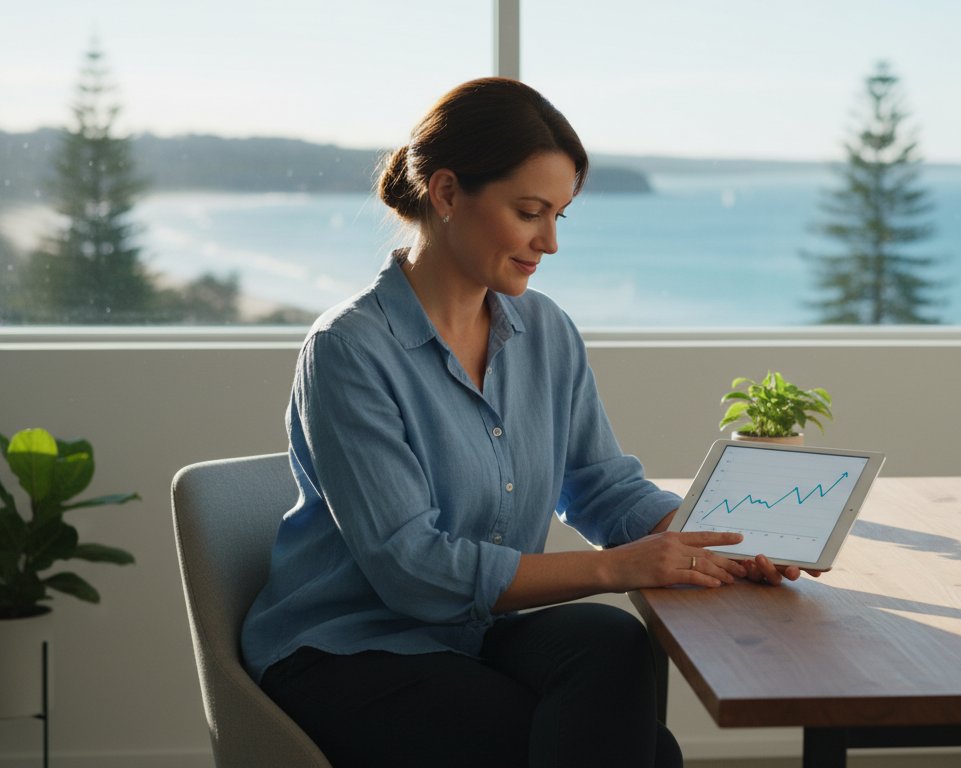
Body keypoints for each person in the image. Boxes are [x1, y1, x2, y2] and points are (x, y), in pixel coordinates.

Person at [240, 77, 811, 768]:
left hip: (470, 635)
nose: (549, 242)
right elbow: (412, 571)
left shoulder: (546, 332)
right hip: (347, 651)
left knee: (614, 644)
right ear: (447, 194)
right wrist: (613, 568)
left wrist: (718, 543)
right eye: (530, 211)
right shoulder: (349, 351)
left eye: (559, 216)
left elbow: (603, 488)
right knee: (636, 753)